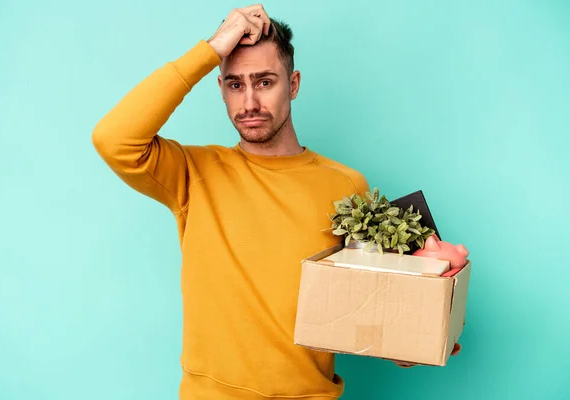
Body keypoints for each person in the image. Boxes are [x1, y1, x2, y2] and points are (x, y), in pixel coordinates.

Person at [92, 4, 458, 399]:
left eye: (265, 82)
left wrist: (412, 338)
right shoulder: (192, 173)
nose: (248, 102)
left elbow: (365, 304)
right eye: (235, 85)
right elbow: (113, 139)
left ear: (294, 84)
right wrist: (211, 50)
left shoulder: (346, 186)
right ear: (220, 88)